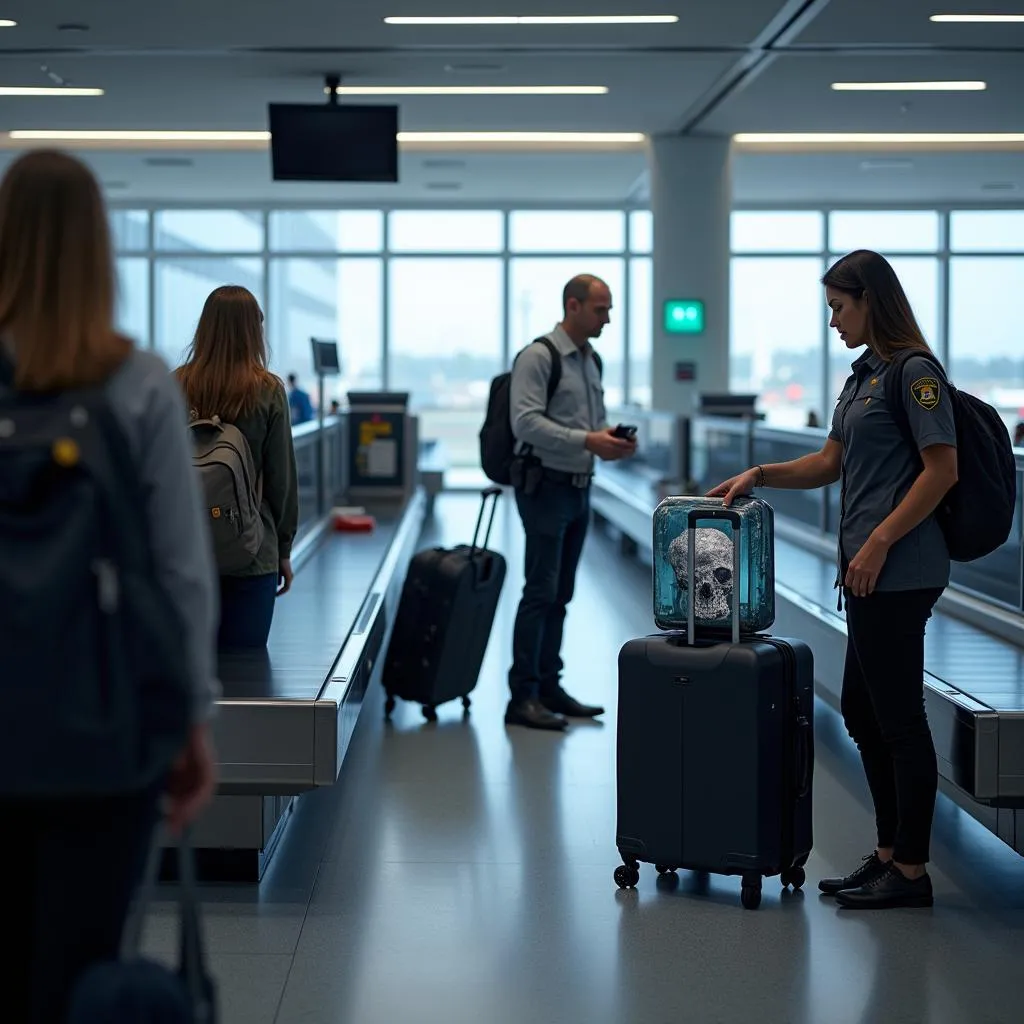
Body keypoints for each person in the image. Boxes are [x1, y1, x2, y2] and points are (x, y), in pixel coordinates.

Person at [0, 150, 219, 1021]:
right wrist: (191, 718)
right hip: (106, 731)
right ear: (100, 253)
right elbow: (180, 572)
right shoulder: (136, 386)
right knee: (80, 971)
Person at [710, 249, 958, 910]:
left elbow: (941, 470)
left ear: (870, 300)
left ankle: (910, 870)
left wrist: (878, 541)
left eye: (838, 308)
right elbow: (829, 463)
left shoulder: (915, 375)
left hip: (900, 571)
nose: (832, 322)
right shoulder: (860, 380)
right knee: (863, 711)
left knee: (899, 718)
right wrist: (759, 474)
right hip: (867, 574)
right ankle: (888, 855)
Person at [505, 274, 637, 731]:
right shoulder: (539, 357)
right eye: (601, 309)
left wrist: (611, 441)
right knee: (540, 592)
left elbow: (591, 423)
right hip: (545, 487)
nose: (607, 318)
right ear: (573, 306)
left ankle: (548, 686)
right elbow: (525, 423)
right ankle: (521, 696)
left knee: (560, 593)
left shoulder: (589, 360)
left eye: (609, 308)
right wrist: (588, 440)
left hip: (579, 486)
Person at [176, 287, 299, 648]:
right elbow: (282, 481)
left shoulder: (175, 384)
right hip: (253, 554)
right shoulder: (267, 391)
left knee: (188, 675)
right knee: (248, 676)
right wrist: (284, 551)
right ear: (251, 331)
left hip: (186, 553)